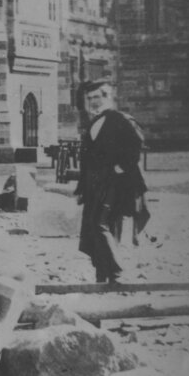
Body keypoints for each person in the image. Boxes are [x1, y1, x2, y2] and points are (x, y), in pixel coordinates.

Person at [74, 79, 150, 284]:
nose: (92, 102)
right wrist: (81, 188)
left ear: (107, 97)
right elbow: (87, 160)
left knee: (99, 224)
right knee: (95, 227)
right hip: (94, 185)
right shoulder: (92, 123)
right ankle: (102, 273)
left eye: (97, 97)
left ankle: (116, 272)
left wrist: (120, 168)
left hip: (114, 184)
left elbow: (136, 143)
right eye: (89, 99)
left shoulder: (120, 119)